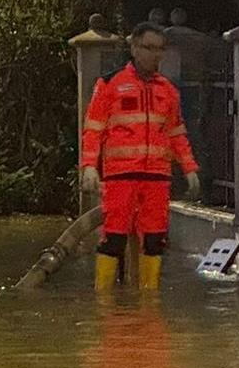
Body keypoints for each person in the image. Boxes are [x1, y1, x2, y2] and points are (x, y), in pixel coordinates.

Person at [79, 22, 200, 290]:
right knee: (113, 239)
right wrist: (89, 166)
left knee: (155, 241)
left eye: (160, 49)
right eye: (149, 48)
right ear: (134, 48)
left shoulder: (168, 91)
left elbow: (176, 133)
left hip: (157, 178)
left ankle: (149, 303)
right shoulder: (110, 84)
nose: (155, 55)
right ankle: (105, 302)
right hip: (120, 177)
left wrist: (189, 168)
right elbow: (93, 129)